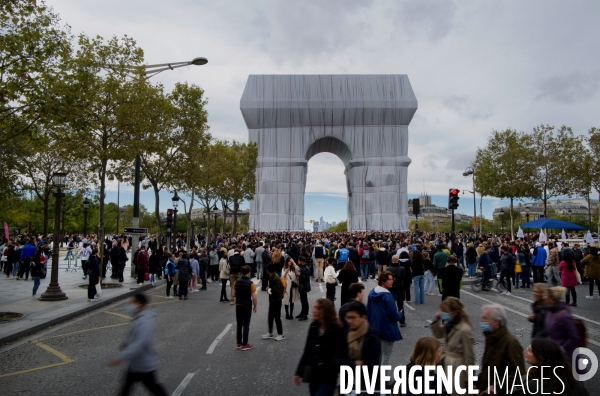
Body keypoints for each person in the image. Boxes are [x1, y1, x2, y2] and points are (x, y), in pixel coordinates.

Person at [109, 294, 168, 396]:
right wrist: (126, 344)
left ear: (140, 304)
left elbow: (140, 343)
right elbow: (134, 337)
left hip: (143, 364)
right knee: (128, 387)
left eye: (132, 303)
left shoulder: (144, 322)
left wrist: (121, 357)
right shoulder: (138, 318)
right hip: (137, 363)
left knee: (152, 387)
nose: (129, 305)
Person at [294, 298, 343, 396]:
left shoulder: (337, 331)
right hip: (313, 376)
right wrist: (298, 372)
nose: (313, 310)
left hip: (328, 377)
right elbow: (307, 351)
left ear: (325, 311)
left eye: (317, 308)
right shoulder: (313, 327)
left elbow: (340, 355)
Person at [512, 338, 590, 396]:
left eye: (530, 350)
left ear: (541, 359)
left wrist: (526, 377)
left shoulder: (533, 384)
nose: (525, 351)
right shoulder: (571, 380)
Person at [333, 301, 382, 393]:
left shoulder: (372, 338)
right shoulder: (347, 335)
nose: (349, 321)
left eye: (353, 317)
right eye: (348, 317)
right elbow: (336, 361)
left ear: (363, 317)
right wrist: (355, 362)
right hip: (347, 386)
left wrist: (346, 364)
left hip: (367, 387)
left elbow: (370, 367)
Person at [478, 304, 525, 395]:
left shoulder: (511, 343)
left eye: (485, 318)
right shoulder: (491, 337)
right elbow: (487, 368)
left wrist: (496, 386)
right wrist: (477, 383)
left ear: (496, 322)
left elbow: (518, 373)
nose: (481, 321)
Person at [430, 297, 474, 395]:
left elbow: (469, 356)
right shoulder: (450, 324)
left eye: (444, 311)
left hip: (457, 369)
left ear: (454, 313)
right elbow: (439, 334)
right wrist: (436, 321)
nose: (442, 313)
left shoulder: (464, 330)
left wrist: (470, 380)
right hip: (447, 365)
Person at [367, 271, 404, 365]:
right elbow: (393, 315)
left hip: (374, 327)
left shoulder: (372, 292)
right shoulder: (388, 296)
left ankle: (377, 376)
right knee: (386, 355)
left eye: (392, 280)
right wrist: (400, 314)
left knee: (378, 355)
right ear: (383, 281)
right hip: (387, 328)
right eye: (389, 280)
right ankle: (383, 378)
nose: (392, 282)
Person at [543, 286, 579, 362]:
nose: (544, 297)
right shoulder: (550, 312)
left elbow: (574, 337)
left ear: (551, 299)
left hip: (566, 357)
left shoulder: (564, 315)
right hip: (554, 354)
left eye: (546, 295)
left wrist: (562, 349)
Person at [232, 265, 258, 351]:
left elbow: (233, 294)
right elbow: (254, 297)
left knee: (239, 324)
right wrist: (255, 306)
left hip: (238, 304)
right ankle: (245, 344)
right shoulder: (251, 283)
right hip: (246, 305)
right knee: (246, 325)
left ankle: (238, 342)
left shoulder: (236, 282)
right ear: (249, 272)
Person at [262, 264, 285, 341]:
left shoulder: (275, 278)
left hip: (276, 300)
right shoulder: (272, 276)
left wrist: (268, 290)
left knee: (277, 317)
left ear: (268, 270)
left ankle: (280, 334)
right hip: (273, 300)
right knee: (270, 316)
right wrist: (268, 287)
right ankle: (270, 332)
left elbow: (277, 291)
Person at [387, 255, 406, 327]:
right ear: (398, 261)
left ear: (392, 260)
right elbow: (404, 278)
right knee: (400, 305)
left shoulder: (388, 269)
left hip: (391, 288)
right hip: (400, 288)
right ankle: (402, 321)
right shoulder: (402, 269)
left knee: (391, 305)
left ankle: (391, 319)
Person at [296, 257, 311, 321]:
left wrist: (299, 275)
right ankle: (302, 312)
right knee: (302, 300)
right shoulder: (302, 267)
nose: (298, 262)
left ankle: (305, 314)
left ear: (302, 261)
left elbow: (305, 278)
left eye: (299, 261)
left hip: (304, 286)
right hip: (302, 285)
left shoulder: (306, 268)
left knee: (304, 300)